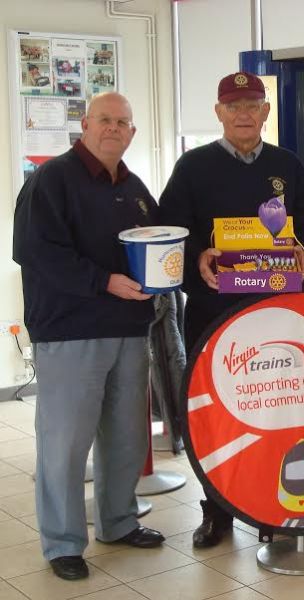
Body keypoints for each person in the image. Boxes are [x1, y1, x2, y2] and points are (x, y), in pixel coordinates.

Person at [12, 92, 165, 581]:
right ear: (85, 124)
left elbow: (160, 245)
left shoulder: (136, 187)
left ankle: (118, 523)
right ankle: (62, 543)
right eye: (105, 119)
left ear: (132, 132)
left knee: (125, 437)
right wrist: (104, 282)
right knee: (65, 442)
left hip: (129, 329)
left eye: (123, 121)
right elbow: (35, 251)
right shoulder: (52, 180)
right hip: (71, 332)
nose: (114, 129)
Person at [159, 72, 304, 549]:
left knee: (273, 411)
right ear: (218, 112)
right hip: (212, 313)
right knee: (214, 417)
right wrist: (197, 257)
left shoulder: (288, 166)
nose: (244, 113)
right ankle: (217, 512)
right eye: (234, 105)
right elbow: (170, 236)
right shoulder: (193, 167)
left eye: (253, 104)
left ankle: (269, 509)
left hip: (274, 316)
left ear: (267, 111)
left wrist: (303, 259)